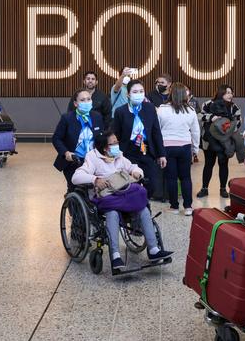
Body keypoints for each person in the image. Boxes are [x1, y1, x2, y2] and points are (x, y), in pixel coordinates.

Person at [71, 130, 173, 270]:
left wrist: (137, 172)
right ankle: (115, 256)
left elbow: (132, 167)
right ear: (105, 147)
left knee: (142, 208)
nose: (117, 145)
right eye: (113, 143)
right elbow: (76, 177)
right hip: (107, 197)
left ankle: (154, 249)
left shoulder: (119, 156)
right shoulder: (92, 157)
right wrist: (95, 179)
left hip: (123, 194)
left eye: (117, 142)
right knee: (112, 213)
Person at [112, 80, 167, 198]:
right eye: (135, 91)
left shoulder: (150, 108)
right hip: (128, 152)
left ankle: (144, 204)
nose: (139, 94)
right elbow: (115, 135)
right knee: (132, 185)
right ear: (128, 94)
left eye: (141, 91)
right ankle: (135, 211)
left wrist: (161, 154)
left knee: (152, 184)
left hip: (146, 150)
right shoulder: (121, 111)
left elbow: (156, 132)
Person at [157, 83, 200, 216]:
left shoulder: (162, 109)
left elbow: (156, 130)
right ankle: (188, 207)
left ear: (171, 93)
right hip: (185, 147)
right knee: (186, 177)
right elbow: (195, 131)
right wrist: (195, 149)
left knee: (171, 178)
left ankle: (174, 207)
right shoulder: (190, 110)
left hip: (167, 147)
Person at [53, 90, 104, 192]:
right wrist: (66, 153)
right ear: (76, 103)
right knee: (76, 189)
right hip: (74, 161)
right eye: (82, 100)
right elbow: (56, 138)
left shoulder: (97, 117)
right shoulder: (67, 118)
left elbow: (101, 138)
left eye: (88, 99)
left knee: (96, 189)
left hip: (93, 161)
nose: (86, 102)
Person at [197, 84, 241, 198]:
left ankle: (223, 189)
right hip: (209, 140)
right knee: (208, 164)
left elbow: (238, 122)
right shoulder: (208, 104)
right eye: (227, 92)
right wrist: (212, 118)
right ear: (221, 93)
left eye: (231, 92)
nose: (230, 95)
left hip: (225, 141)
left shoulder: (234, 107)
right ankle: (204, 188)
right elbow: (200, 115)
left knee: (223, 164)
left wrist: (228, 127)